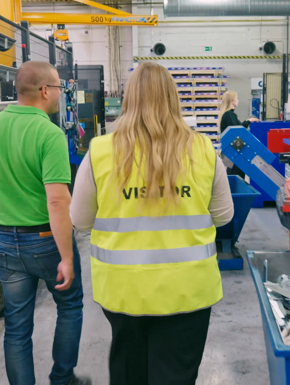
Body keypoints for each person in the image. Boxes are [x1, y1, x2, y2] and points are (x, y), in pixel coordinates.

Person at [70, 62, 234, 385]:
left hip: (123, 290)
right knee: (176, 375)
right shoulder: (203, 150)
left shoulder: (101, 152)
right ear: (173, 99)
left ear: (129, 98)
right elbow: (225, 215)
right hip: (189, 292)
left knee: (129, 373)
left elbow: (79, 220)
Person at [0, 61, 90, 385]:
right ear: (45, 91)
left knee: (16, 326)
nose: (59, 95)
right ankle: (62, 379)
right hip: (45, 239)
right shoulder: (49, 134)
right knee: (69, 307)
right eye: (57, 89)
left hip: (3, 239)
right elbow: (57, 201)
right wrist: (67, 257)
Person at [218, 91, 258, 178]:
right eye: (236, 99)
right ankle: (234, 191)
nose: (238, 100)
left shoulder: (229, 114)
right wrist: (248, 121)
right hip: (234, 151)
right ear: (232, 101)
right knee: (236, 175)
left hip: (232, 151)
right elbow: (237, 131)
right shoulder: (229, 114)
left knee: (235, 173)